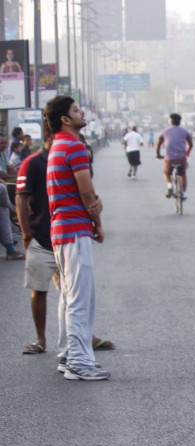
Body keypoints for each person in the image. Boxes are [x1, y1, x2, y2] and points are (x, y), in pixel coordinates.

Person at [18, 124, 113, 359]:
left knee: (72, 295)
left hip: (64, 235)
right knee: (41, 290)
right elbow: (21, 199)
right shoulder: (34, 162)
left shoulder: (71, 156)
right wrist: (26, 234)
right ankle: (43, 339)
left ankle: (79, 341)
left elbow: (86, 192)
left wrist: (96, 207)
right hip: (43, 238)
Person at [44, 96, 109, 380]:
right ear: (65, 120)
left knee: (69, 297)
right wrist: (98, 222)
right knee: (81, 298)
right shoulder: (74, 146)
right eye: (75, 110)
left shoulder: (56, 146)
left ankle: (67, 355)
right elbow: (86, 192)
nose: (81, 112)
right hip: (75, 229)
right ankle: (79, 363)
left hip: (61, 229)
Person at [155, 113, 194, 202]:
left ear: (171, 121)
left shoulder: (165, 131)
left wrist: (158, 154)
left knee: (166, 173)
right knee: (183, 175)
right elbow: (191, 144)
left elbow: (158, 143)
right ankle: (183, 193)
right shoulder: (185, 131)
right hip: (181, 158)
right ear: (180, 122)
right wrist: (187, 152)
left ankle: (169, 185)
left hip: (169, 158)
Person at [0, 131, 25, 261]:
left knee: (2, 209)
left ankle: (10, 249)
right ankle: (14, 210)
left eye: (5, 143)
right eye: (1, 143)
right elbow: (2, 176)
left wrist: (17, 177)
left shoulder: (3, 154)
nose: (4, 145)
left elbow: (9, 170)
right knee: (3, 189)